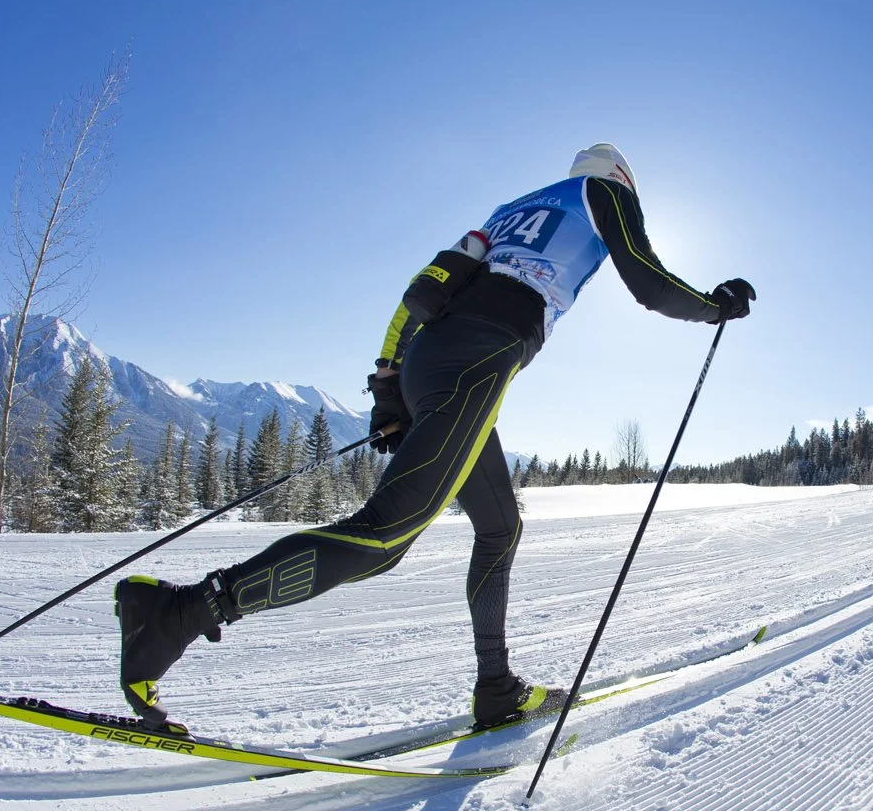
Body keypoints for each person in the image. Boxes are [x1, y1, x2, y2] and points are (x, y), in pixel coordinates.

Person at [113, 144, 756, 731]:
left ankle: (496, 689)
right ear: (623, 180)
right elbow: (646, 280)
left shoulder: (510, 210)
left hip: (433, 358)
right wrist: (715, 305)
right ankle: (181, 613)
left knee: (499, 526)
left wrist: (391, 389)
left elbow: (418, 295)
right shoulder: (606, 194)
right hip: (479, 359)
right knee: (384, 537)